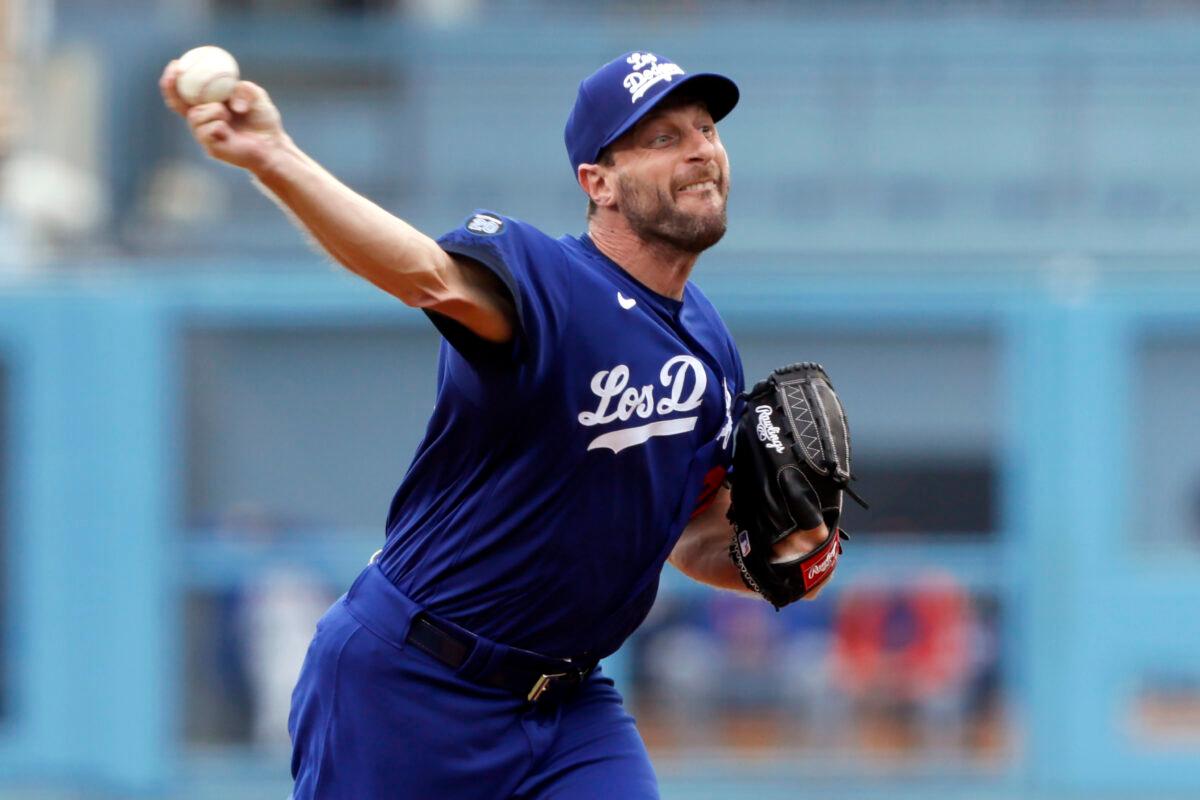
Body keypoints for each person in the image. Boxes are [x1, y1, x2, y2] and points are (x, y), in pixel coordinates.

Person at [160, 49, 832, 800]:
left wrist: (777, 558)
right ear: (598, 182)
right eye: (664, 137)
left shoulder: (707, 341)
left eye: (707, 129)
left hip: (569, 706)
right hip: (411, 686)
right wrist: (273, 156)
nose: (702, 149)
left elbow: (684, 533)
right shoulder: (545, 278)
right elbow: (423, 273)